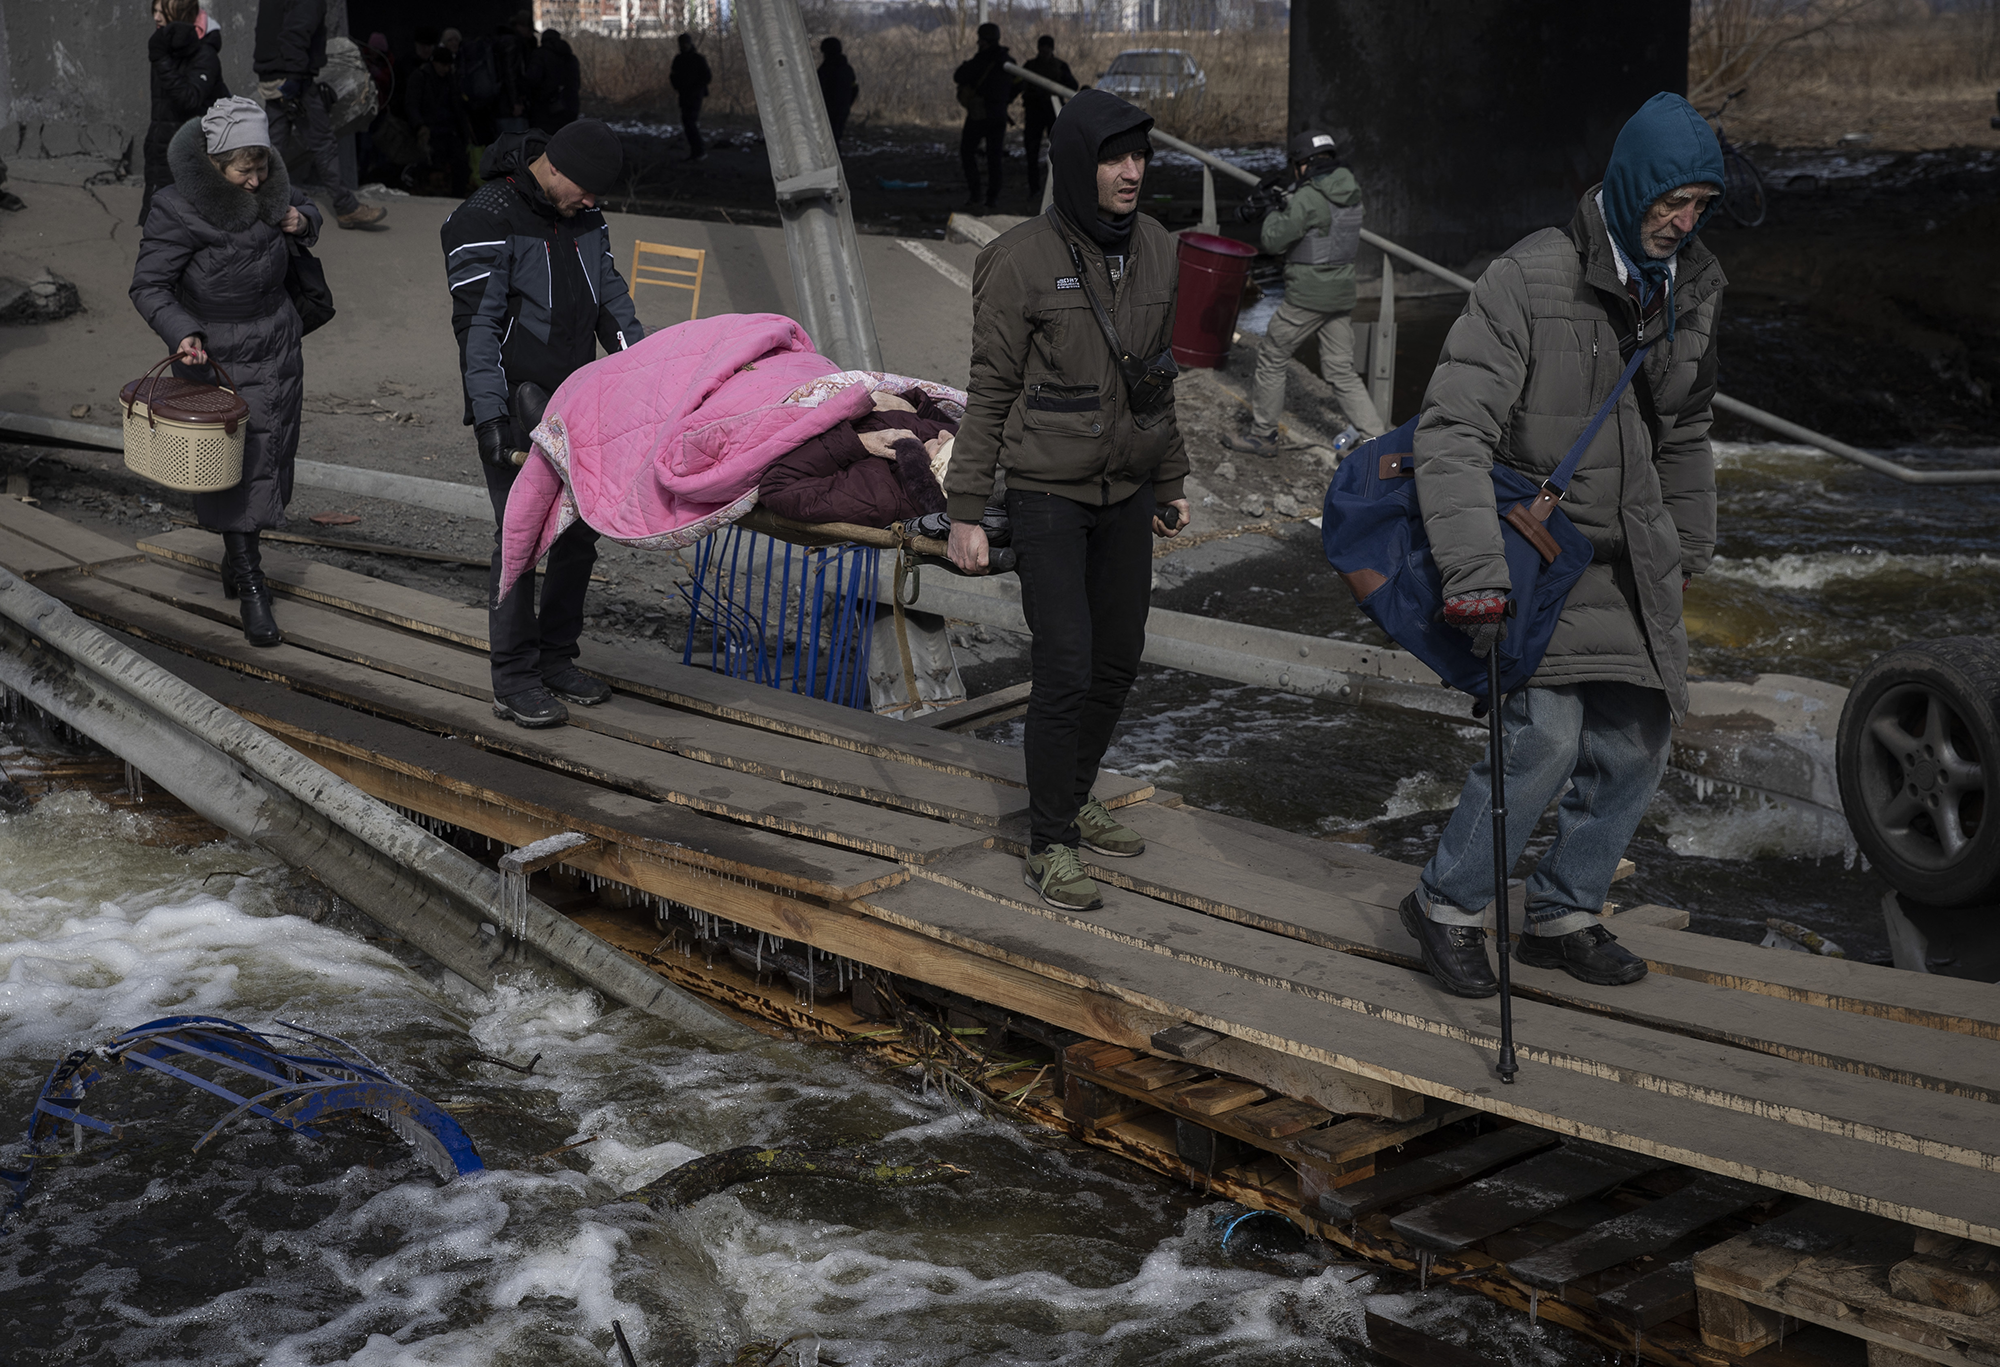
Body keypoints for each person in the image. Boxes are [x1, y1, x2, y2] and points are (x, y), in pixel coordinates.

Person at [1399, 92, 1726, 995]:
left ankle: (1564, 910)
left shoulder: (1694, 285)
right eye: (1672, 201)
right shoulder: (1527, 277)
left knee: (1640, 738)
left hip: (1631, 556)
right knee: (1543, 736)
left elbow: (1688, 427)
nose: (1684, 221)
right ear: (1632, 186)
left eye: (1701, 204)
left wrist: (1688, 549)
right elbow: (1452, 431)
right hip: (1536, 556)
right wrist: (1473, 572)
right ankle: (1445, 905)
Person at [945, 89, 1190, 911]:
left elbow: (1157, 380)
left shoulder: (1158, 247)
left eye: (1140, 156)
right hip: (1048, 491)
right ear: (1079, 164)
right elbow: (989, 390)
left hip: (1128, 490)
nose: (1131, 171)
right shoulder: (1017, 259)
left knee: (1118, 658)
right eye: (1114, 157)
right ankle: (1049, 841)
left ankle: (1075, 793)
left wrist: (1171, 479)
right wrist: (967, 510)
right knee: (1066, 664)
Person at [441, 119, 646, 729]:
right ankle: (513, 680)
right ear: (553, 166)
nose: (592, 201)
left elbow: (612, 300)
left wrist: (646, 374)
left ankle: (556, 659)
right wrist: (489, 417)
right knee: (521, 538)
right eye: (585, 189)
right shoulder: (484, 217)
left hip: (576, 400)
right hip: (513, 404)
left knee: (579, 534)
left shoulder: (585, 214)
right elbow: (476, 329)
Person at [130, 97, 322, 648]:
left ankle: (238, 560)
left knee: (272, 454)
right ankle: (252, 583)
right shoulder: (176, 208)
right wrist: (182, 332)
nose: (256, 180)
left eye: (261, 166)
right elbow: (149, 285)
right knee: (238, 465)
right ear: (215, 164)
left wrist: (303, 220)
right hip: (218, 353)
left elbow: (309, 210)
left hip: (279, 345)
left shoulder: (272, 186)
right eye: (244, 170)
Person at [1222, 131, 1382, 460]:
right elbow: (1322, 228)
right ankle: (1376, 443)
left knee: (1271, 354)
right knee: (1341, 369)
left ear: (1303, 164)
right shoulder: (1351, 192)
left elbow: (1274, 241)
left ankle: (1263, 435)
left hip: (1308, 295)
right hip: (1340, 292)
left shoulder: (1308, 197)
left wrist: (1274, 210)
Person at [253, 0, 387, 229]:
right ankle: (346, 207)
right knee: (323, 143)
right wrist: (295, 77)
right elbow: (294, 34)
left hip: (273, 76)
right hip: (293, 80)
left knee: (272, 147)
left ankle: (257, 206)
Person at [760, 389, 953, 526]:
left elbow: (776, 488)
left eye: (944, 447)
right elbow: (945, 426)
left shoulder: (874, 497)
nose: (945, 434)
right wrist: (913, 405)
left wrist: (861, 442)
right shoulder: (942, 448)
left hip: (772, 412)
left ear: (935, 476)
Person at [143, 0, 229, 228]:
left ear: (184, 14)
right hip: (160, 149)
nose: (156, 17)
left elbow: (189, 99)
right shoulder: (165, 47)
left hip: (191, 154)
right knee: (157, 225)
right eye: (155, 10)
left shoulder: (205, 53)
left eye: (163, 12)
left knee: (185, 227)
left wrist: (161, 60)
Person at [953, 23, 1017, 209]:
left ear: (984, 41)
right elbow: (1019, 84)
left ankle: (976, 195)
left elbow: (959, 76)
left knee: (967, 151)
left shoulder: (980, 61)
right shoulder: (1008, 62)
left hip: (979, 114)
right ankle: (992, 198)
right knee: (994, 157)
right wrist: (1005, 100)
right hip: (998, 114)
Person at [406, 44, 472, 196]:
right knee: (431, 164)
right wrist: (419, 125)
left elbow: (457, 106)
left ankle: (456, 196)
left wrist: (464, 132)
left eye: (448, 65)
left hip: (448, 129)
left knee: (460, 164)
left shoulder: (450, 79)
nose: (446, 69)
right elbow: (412, 104)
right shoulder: (421, 77)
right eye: (443, 65)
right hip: (430, 129)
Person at [1021, 34, 1075, 202]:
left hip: (1053, 113)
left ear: (1051, 49)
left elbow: (1072, 85)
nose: (1044, 51)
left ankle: (1058, 188)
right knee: (1032, 152)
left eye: (1047, 48)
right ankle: (1034, 189)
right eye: (1042, 48)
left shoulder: (1060, 66)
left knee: (1058, 152)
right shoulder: (1030, 66)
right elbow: (1020, 85)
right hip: (1034, 113)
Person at [670, 34, 711, 162]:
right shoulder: (679, 59)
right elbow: (673, 76)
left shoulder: (697, 59)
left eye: (685, 43)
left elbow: (707, 77)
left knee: (690, 122)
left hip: (694, 96)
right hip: (685, 95)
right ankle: (697, 151)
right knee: (688, 122)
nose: (684, 45)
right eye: (682, 43)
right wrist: (679, 86)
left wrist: (695, 88)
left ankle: (699, 151)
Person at [534, 28, 582, 133]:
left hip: (547, 108)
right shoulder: (570, 57)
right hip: (570, 105)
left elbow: (534, 80)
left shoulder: (540, 55)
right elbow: (576, 83)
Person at [817, 37, 859, 147]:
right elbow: (855, 89)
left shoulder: (825, 70)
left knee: (828, 141)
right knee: (835, 139)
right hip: (842, 110)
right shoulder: (847, 69)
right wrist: (846, 105)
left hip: (828, 111)